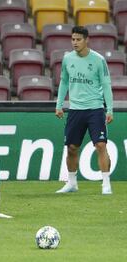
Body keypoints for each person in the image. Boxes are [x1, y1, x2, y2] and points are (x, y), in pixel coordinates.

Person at [55, 26, 114, 195]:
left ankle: (106, 183)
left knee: (100, 145)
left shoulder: (98, 60)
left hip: (95, 109)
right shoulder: (67, 58)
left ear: (86, 40)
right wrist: (59, 105)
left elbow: (106, 84)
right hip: (75, 110)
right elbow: (64, 82)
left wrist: (109, 109)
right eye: (73, 39)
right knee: (72, 148)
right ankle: (72, 183)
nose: (75, 42)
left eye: (78, 39)